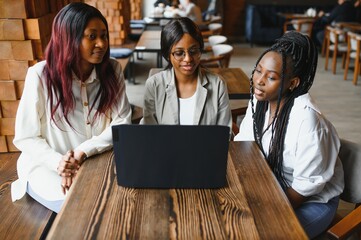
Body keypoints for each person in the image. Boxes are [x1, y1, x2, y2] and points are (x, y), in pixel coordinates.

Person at [11, 2, 132, 213]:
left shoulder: (112, 69)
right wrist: (61, 163)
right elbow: (25, 137)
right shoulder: (40, 76)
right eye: (92, 36)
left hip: (95, 159)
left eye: (104, 35)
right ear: (69, 38)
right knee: (78, 207)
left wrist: (81, 152)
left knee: (121, 201)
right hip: (47, 165)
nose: (102, 43)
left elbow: (122, 121)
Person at [234, 31, 344, 239]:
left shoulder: (308, 122)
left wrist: (269, 212)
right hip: (273, 185)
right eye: (258, 71)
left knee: (260, 234)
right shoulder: (259, 101)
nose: (259, 81)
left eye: (272, 77)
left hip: (310, 200)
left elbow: (304, 186)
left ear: (293, 83)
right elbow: (244, 144)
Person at [141, 17, 232, 131]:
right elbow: (148, 133)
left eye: (193, 51)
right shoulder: (154, 85)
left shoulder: (217, 84)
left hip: (206, 149)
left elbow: (224, 133)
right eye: (179, 53)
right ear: (167, 55)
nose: (188, 59)